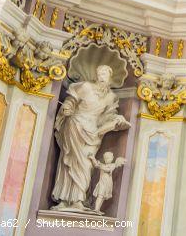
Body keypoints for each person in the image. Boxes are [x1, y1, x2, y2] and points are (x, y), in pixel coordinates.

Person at [52, 65, 130, 212]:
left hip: (93, 132)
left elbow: (107, 116)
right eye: (100, 72)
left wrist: (117, 119)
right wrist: (67, 107)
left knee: (86, 165)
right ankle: (64, 200)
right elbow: (71, 99)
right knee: (69, 160)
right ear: (96, 74)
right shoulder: (86, 87)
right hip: (75, 125)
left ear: (110, 76)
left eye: (105, 73)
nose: (102, 75)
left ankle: (79, 200)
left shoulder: (111, 97)